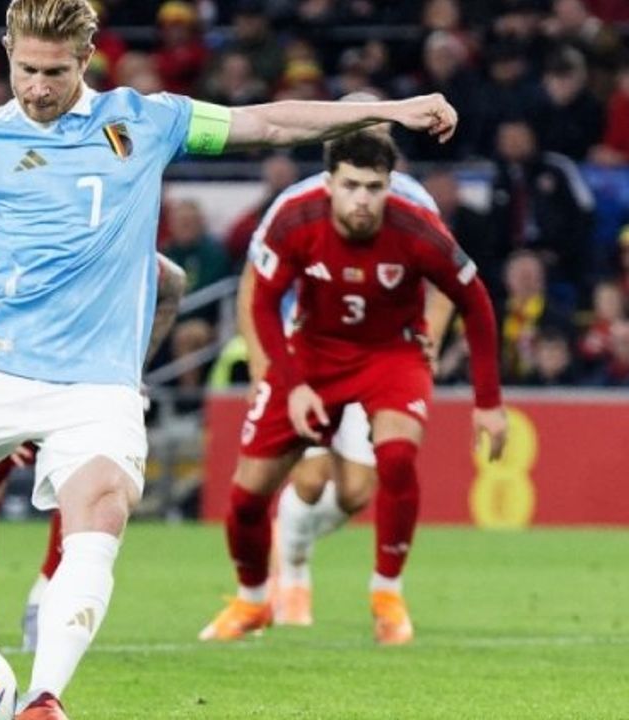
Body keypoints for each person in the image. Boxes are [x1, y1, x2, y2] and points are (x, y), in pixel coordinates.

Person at [0, 1, 459, 716]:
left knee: (100, 511)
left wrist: (390, 112)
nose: (37, 87)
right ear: (8, 56)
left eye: (54, 71)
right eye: (25, 70)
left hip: (96, 387)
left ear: (85, 60)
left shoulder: (147, 121)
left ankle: (45, 699)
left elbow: (266, 122)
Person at [200, 132, 506, 647]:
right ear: (329, 183)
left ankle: (387, 596)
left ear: (390, 183)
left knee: (394, 462)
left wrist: (489, 403)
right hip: (312, 353)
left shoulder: (416, 223)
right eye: (351, 186)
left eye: (374, 187)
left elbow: (473, 300)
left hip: (391, 354)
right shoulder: (294, 214)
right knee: (248, 495)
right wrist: (287, 381)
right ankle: (253, 600)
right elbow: (261, 300)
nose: (362, 199)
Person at [235, 112, 456, 628]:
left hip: (380, 354)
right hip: (307, 352)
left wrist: (428, 341)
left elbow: (447, 280)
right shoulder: (296, 203)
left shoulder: (414, 202)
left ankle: (292, 546)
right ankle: (291, 576)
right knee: (310, 478)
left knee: (356, 491)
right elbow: (253, 285)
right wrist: (264, 368)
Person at [0, 246, 185, 653]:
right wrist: (0, 413)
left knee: (81, 497)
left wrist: (131, 368)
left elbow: (173, 282)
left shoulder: (108, 246)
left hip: (80, 392)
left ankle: (41, 604)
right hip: (2, 390)